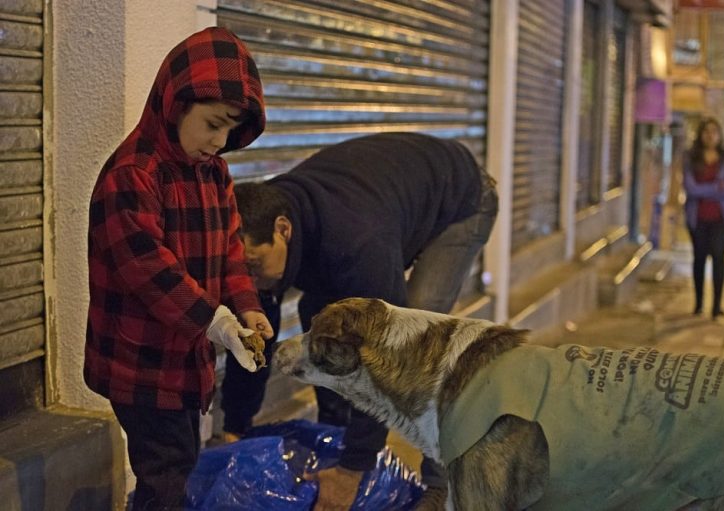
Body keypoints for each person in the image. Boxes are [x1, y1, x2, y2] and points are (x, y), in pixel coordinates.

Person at [225, 131, 498, 510]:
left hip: (460, 198)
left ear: (283, 230)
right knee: (318, 322)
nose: (249, 281)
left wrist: (353, 470)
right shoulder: (265, 230)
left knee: (420, 339)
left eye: (253, 267)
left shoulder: (356, 246)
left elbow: (389, 357)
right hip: (385, 199)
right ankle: (335, 438)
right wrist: (233, 429)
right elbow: (255, 338)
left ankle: (441, 487)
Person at [84, 27, 274, 510]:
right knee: (167, 477)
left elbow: (231, 249)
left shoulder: (214, 173)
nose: (220, 140)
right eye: (212, 124)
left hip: (187, 364)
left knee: (179, 466)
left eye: (230, 129)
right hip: (140, 365)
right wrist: (217, 322)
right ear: (175, 102)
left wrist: (247, 307)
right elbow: (151, 271)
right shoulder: (134, 174)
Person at [682, 117, 724, 320]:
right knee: (699, 259)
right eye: (706, 131)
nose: (710, 135)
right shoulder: (691, 158)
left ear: (719, 135)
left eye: (714, 131)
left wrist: (704, 190)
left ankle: (716, 306)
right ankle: (698, 304)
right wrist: (716, 188)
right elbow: (690, 188)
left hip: (722, 218)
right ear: (701, 135)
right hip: (697, 218)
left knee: (718, 257)